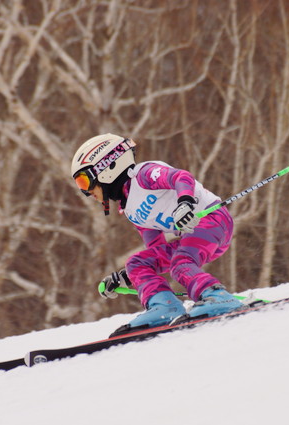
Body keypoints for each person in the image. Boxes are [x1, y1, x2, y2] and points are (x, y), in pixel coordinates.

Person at [71, 133, 244, 336]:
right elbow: (156, 250)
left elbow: (181, 177)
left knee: (181, 262)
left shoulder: (143, 175)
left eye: (84, 182)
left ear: (107, 168)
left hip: (212, 220)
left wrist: (185, 203)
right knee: (137, 262)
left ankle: (217, 296)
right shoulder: (130, 210)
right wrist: (129, 276)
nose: (85, 191)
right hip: (192, 234)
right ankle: (164, 307)